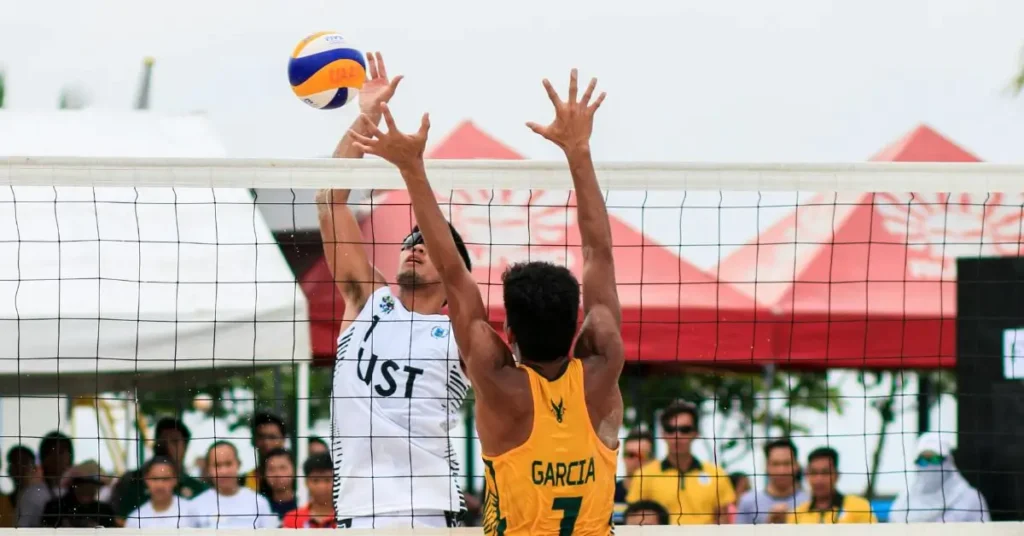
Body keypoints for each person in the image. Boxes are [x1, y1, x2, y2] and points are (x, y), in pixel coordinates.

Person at [351, 68, 623, 535]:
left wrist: (412, 171)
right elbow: (599, 252)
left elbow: (455, 276)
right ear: (578, 322)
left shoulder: (501, 388)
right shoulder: (602, 372)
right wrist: (579, 150)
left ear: (509, 335)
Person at [319, 52, 469, 529]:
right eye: (410, 241)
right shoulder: (368, 300)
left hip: (426, 511)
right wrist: (366, 115)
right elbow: (329, 199)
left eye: (427, 244)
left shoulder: (464, 332)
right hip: (358, 513)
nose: (413, 247)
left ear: (453, 270)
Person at [626, 400, 736, 524]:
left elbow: (723, 523)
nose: (677, 435)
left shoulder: (717, 474)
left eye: (685, 429)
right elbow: (634, 521)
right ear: (662, 434)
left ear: (696, 433)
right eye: (670, 429)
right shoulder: (644, 475)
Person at [111, 417, 208, 518]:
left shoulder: (197, 489)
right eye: (162, 440)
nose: (167, 446)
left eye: (174, 441)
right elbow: (118, 520)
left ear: (185, 447)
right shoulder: (131, 481)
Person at [889, 432, 990, 523]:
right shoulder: (903, 502)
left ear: (948, 461)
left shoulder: (970, 499)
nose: (929, 465)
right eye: (922, 460)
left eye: (935, 459)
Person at [183, 441, 278, 529]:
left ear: (239, 464)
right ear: (208, 469)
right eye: (217, 465)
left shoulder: (259, 503)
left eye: (228, 464)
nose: (224, 471)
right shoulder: (195, 505)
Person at [786, 447, 875, 524]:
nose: (819, 479)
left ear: (837, 475)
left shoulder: (859, 507)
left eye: (825, 473)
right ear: (807, 475)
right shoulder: (796, 515)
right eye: (813, 473)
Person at [736, 438, 808, 524]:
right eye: (775, 464)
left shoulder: (809, 501)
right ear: (766, 466)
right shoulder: (748, 501)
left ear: (797, 466)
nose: (782, 471)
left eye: (787, 463)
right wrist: (768, 525)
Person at [16, 431, 74, 527]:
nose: (57, 458)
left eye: (62, 452)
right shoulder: (31, 494)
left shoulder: (78, 492)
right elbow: (20, 529)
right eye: (52, 452)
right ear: (44, 458)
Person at [39, 460, 117, 528]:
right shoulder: (54, 508)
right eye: (83, 484)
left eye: (93, 486)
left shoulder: (105, 512)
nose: (88, 490)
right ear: (73, 484)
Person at [124, 456, 183, 528]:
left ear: (175, 480)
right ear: (145, 480)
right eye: (154, 479)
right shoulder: (134, 520)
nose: (160, 485)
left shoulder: (191, 512)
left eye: (165, 479)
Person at [282, 453, 336, 528]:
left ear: (336, 481)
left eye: (327, 480)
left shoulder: (345, 519)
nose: (321, 486)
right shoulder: (292, 518)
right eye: (315, 480)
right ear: (306, 482)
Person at [243, 411, 288, 491]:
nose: (266, 442)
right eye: (261, 436)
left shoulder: (300, 480)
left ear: (283, 440)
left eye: (272, 437)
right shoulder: (243, 483)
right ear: (253, 440)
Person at [262, 448, 298, 518]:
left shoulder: (304, 502)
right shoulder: (260, 505)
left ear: (294, 471)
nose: (277, 474)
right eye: (271, 469)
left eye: (283, 468)